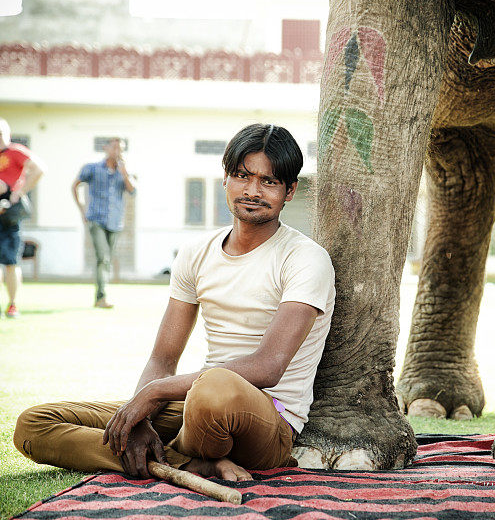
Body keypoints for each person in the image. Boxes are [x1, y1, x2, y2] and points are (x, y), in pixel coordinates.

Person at [15, 124, 335, 480]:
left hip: (266, 420)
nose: (252, 191)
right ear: (225, 180)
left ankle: (176, 455)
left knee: (214, 387)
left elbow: (268, 367)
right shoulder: (196, 253)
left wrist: (153, 394)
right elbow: (163, 357)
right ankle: (186, 463)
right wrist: (140, 418)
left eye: (269, 181)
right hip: (194, 406)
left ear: (290, 191)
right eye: (242, 176)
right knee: (35, 424)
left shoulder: (306, 258)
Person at [71, 138, 136, 308]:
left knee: (107, 259)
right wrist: (82, 209)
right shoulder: (92, 168)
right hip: (96, 219)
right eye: (114, 147)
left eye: (120, 148)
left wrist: (125, 173)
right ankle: (101, 297)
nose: (117, 151)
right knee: (103, 257)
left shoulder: (124, 172)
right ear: (105, 148)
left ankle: (101, 296)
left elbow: (133, 191)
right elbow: (75, 186)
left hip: (115, 222)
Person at [0, 118, 46, 318]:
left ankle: (12, 304)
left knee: (10, 261)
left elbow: (39, 169)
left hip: (9, 212)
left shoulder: (15, 151)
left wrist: (19, 191)